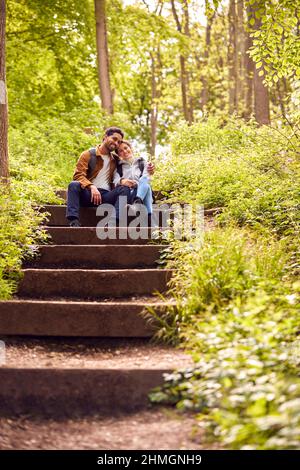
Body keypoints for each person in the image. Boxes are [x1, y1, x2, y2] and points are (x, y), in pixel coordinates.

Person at [66, 127, 154, 227]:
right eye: (114, 139)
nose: (116, 143)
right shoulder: (88, 155)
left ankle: (113, 221)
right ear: (105, 137)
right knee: (73, 185)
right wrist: (91, 186)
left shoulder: (115, 159)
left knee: (124, 189)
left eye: (119, 141)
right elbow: (78, 175)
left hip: (106, 196)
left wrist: (149, 169)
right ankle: (74, 221)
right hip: (88, 194)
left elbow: (129, 166)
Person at [114, 140, 154, 222]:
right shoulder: (118, 167)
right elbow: (115, 181)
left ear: (131, 148)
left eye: (126, 148)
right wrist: (123, 181)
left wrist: (137, 184)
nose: (125, 151)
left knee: (145, 181)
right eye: (121, 151)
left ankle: (137, 202)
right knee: (145, 184)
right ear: (119, 155)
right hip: (129, 196)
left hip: (143, 193)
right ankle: (150, 218)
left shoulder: (142, 163)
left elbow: (147, 179)